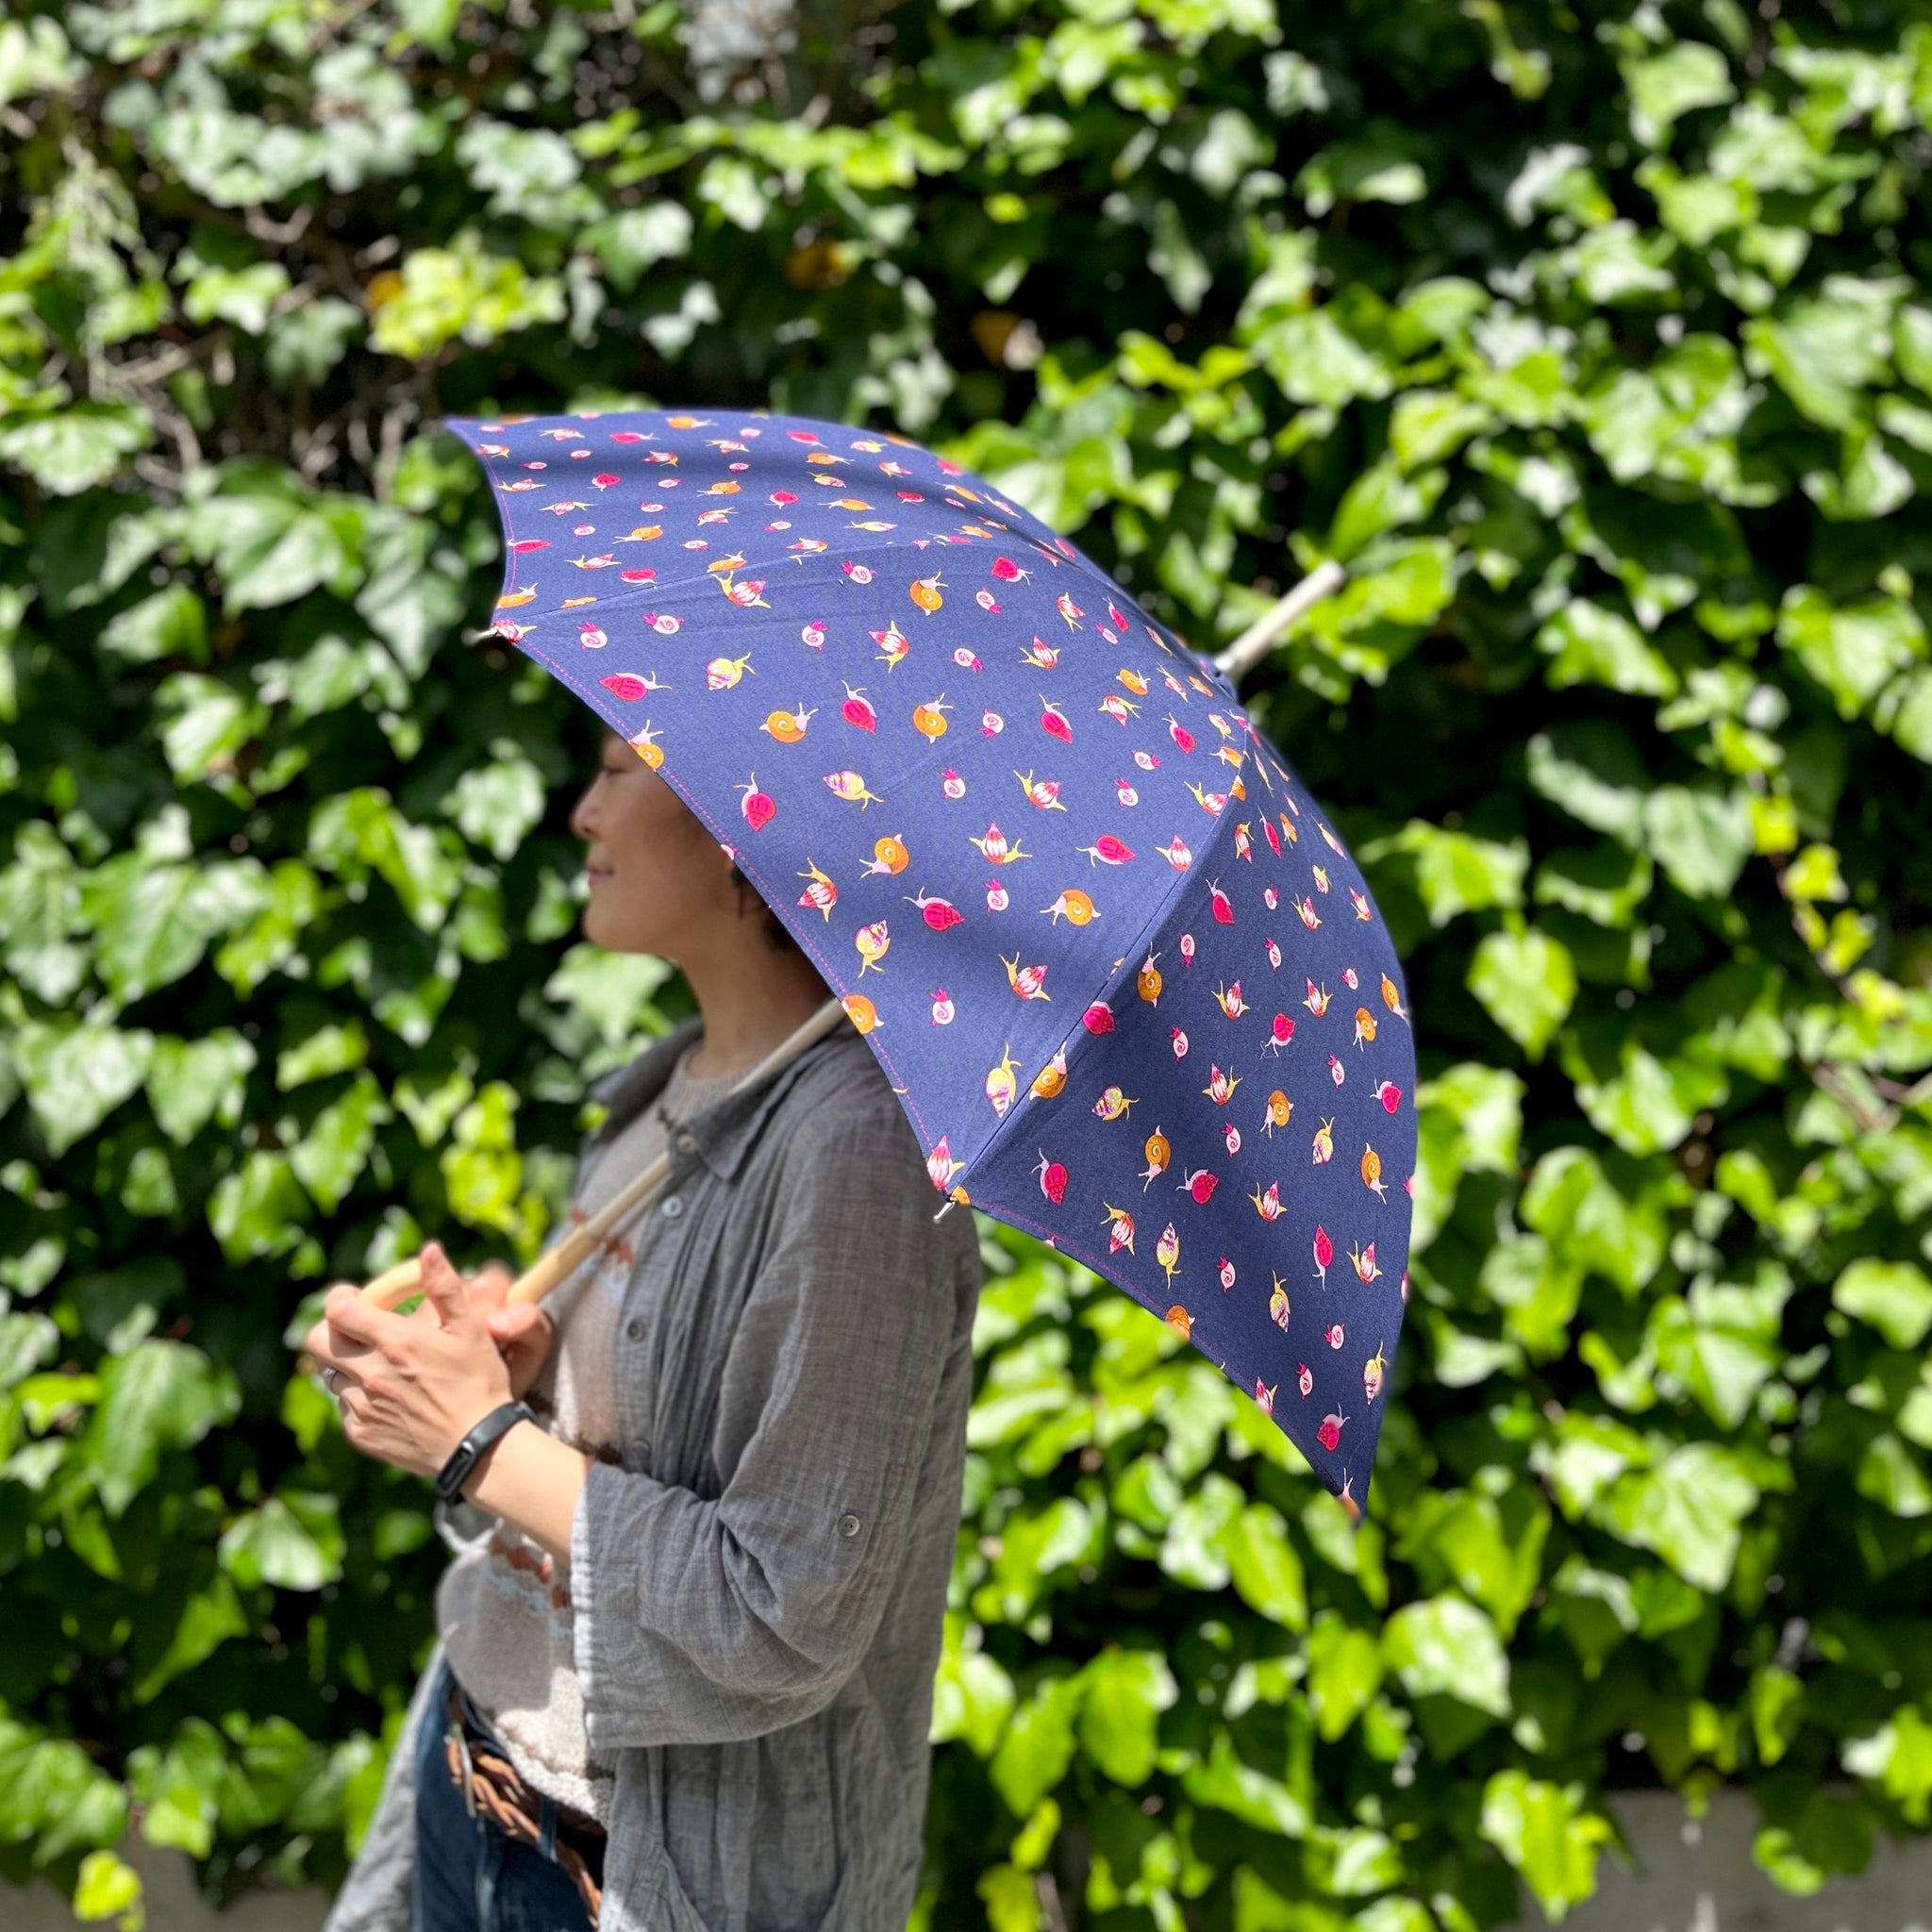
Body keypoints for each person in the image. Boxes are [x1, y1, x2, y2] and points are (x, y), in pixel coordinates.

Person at [306, 725, 985, 1932]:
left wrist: (479, 1439)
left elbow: (783, 1607)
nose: (580, 813)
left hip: (621, 1872)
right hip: (470, 1780)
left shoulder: (860, 1160)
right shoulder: (661, 1092)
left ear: (744, 826)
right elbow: (582, 1479)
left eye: (618, 770)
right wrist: (505, 1383)